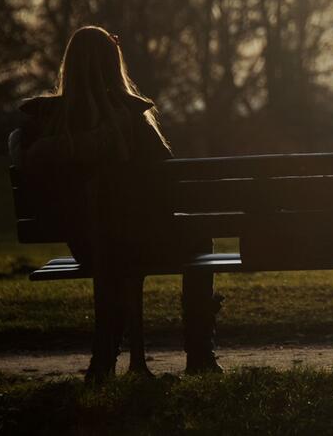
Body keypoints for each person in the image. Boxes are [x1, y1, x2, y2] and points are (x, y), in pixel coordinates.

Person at [16, 26, 223, 382]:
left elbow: (29, 171)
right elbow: (167, 178)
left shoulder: (44, 121)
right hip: (140, 240)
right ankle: (200, 354)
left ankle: (105, 359)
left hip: (87, 245)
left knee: (112, 248)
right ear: (114, 64)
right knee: (200, 243)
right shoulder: (130, 116)